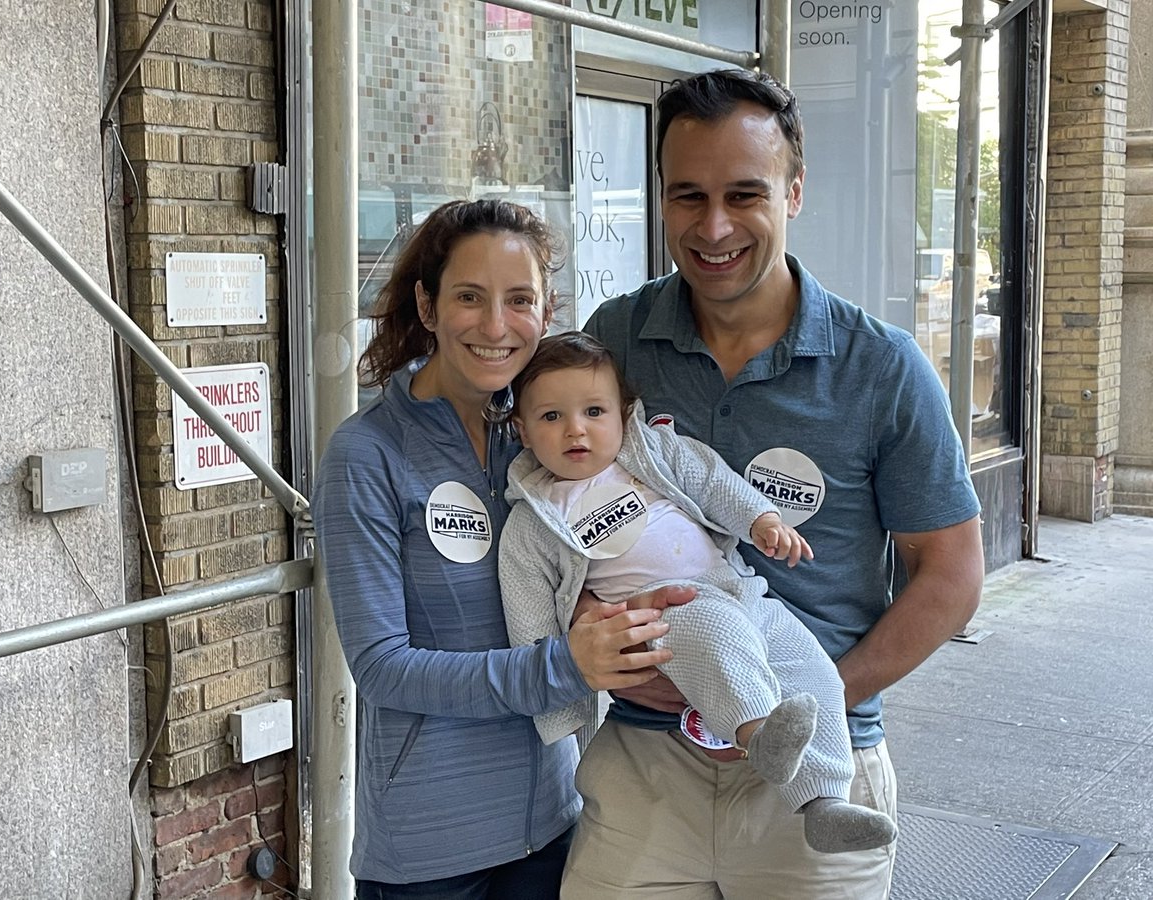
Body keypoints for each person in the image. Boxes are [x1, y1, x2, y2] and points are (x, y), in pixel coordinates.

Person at [565, 69, 985, 898]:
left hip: (820, 776)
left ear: (795, 191)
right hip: (646, 767)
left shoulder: (882, 367)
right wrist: (592, 629)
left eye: (743, 195)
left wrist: (801, 705)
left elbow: (952, 576)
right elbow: (562, 503)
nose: (713, 226)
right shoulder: (616, 339)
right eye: (688, 196)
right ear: (660, 197)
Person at [313, 199, 685, 899]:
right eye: (469, 298)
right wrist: (562, 666)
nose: (494, 326)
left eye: (519, 300)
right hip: (429, 852)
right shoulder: (366, 455)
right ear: (426, 306)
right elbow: (382, 668)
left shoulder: (546, 440)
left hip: (554, 823)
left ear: (546, 314)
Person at [498, 331, 898, 856]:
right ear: (521, 430)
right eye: (551, 417)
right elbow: (527, 607)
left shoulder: (657, 456)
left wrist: (761, 519)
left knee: (811, 667)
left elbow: (712, 480)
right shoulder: (534, 520)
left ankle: (823, 802)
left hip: (740, 590)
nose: (576, 429)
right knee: (716, 633)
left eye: (594, 411)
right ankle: (758, 735)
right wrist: (561, 697)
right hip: (666, 612)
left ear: (625, 415)